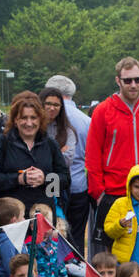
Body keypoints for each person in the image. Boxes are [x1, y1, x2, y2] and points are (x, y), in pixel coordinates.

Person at [85, 57, 139, 253]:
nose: (133, 85)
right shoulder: (102, 111)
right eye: (127, 80)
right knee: (108, 255)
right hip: (113, 192)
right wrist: (99, 192)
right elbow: (92, 154)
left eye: (137, 80)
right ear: (118, 81)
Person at [0, 91, 70, 213]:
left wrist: (45, 179)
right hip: (11, 216)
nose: (29, 123)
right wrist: (19, 179)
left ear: (40, 119)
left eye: (33, 118)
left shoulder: (50, 144)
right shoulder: (1, 142)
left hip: (43, 214)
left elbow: (65, 180)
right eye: (24, 118)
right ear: (15, 120)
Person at [44, 75, 92, 255]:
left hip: (52, 183)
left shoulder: (50, 121)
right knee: (77, 236)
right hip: (78, 183)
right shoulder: (85, 120)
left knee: (53, 232)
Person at [28, 201, 71, 277]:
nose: (49, 228)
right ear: (33, 227)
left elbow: (60, 264)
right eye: (44, 224)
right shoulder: (29, 246)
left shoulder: (55, 244)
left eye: (50, 223)